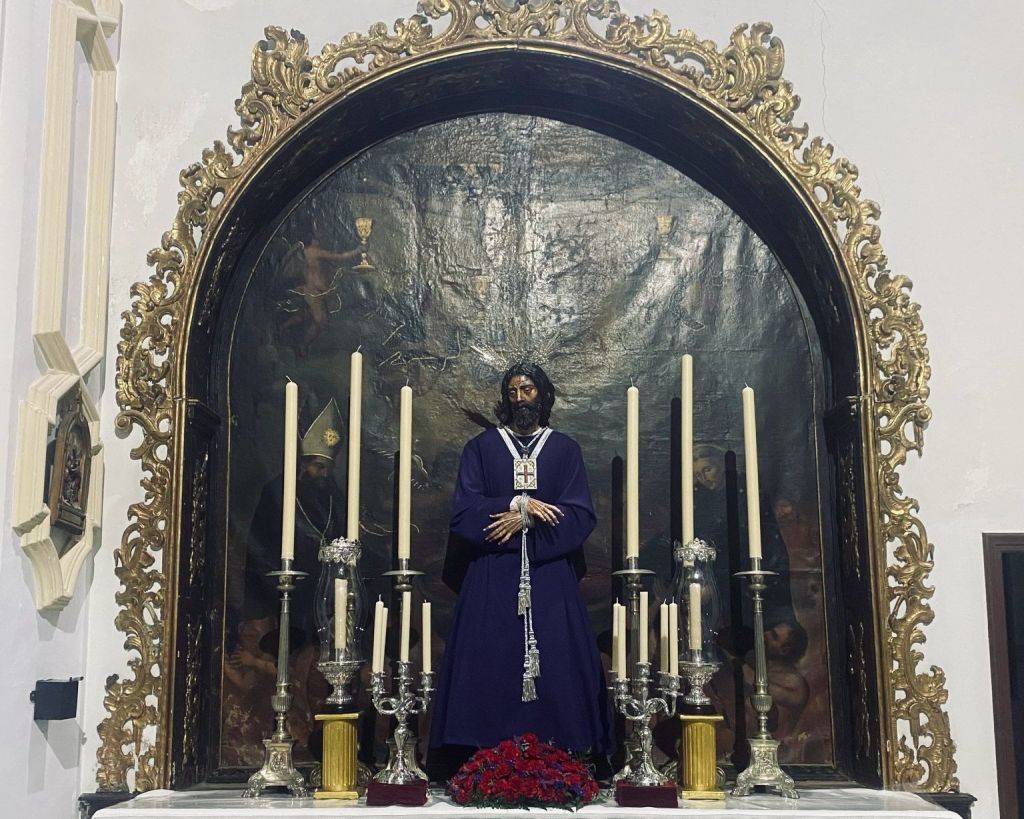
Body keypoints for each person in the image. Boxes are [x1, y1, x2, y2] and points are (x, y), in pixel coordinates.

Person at [430, 363, 614, 766]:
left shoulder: (564, 450)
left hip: (549, 577)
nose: (519, 399)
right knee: (490, 660)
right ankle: (481, 754)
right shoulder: (481, 449)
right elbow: (464, 513)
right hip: (492, 576)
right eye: (512, 391)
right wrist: (515, 503)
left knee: (558, 663)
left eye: (527, 390)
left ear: (542, 395)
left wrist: (527, 519)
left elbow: (580, 514)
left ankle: (560, 752)